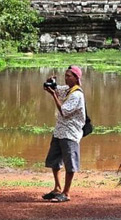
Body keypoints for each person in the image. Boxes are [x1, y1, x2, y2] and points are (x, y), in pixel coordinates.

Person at [41, 65, 86, 203]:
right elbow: (55, 89)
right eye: (65, 75)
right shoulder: (68, 90)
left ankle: (66, 193)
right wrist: (52, 85)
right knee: (55, 161)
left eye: (69, 76)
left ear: (76, 78)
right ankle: (57, 188)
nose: (66, 78)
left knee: (70, 164)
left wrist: (53, 95)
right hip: (60, 131)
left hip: (70, 133)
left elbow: (64, 111)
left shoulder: (77, 94)